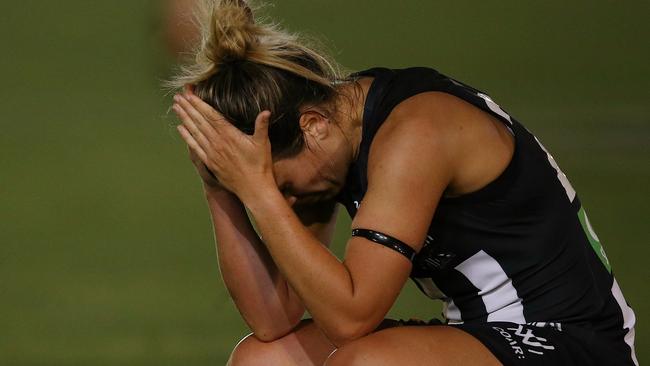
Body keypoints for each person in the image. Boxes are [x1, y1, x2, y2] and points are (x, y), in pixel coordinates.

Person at [169, 1, 638, 365]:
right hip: (478, 337)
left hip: (567, 341)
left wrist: (258, 192)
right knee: (262, 358)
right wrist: (219, 185)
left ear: (313, 126)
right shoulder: (330, 144)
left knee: (367, 361)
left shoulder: (416, 132)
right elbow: (273, 319)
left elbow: (351, 318)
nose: (283, 199)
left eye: (281, 185)